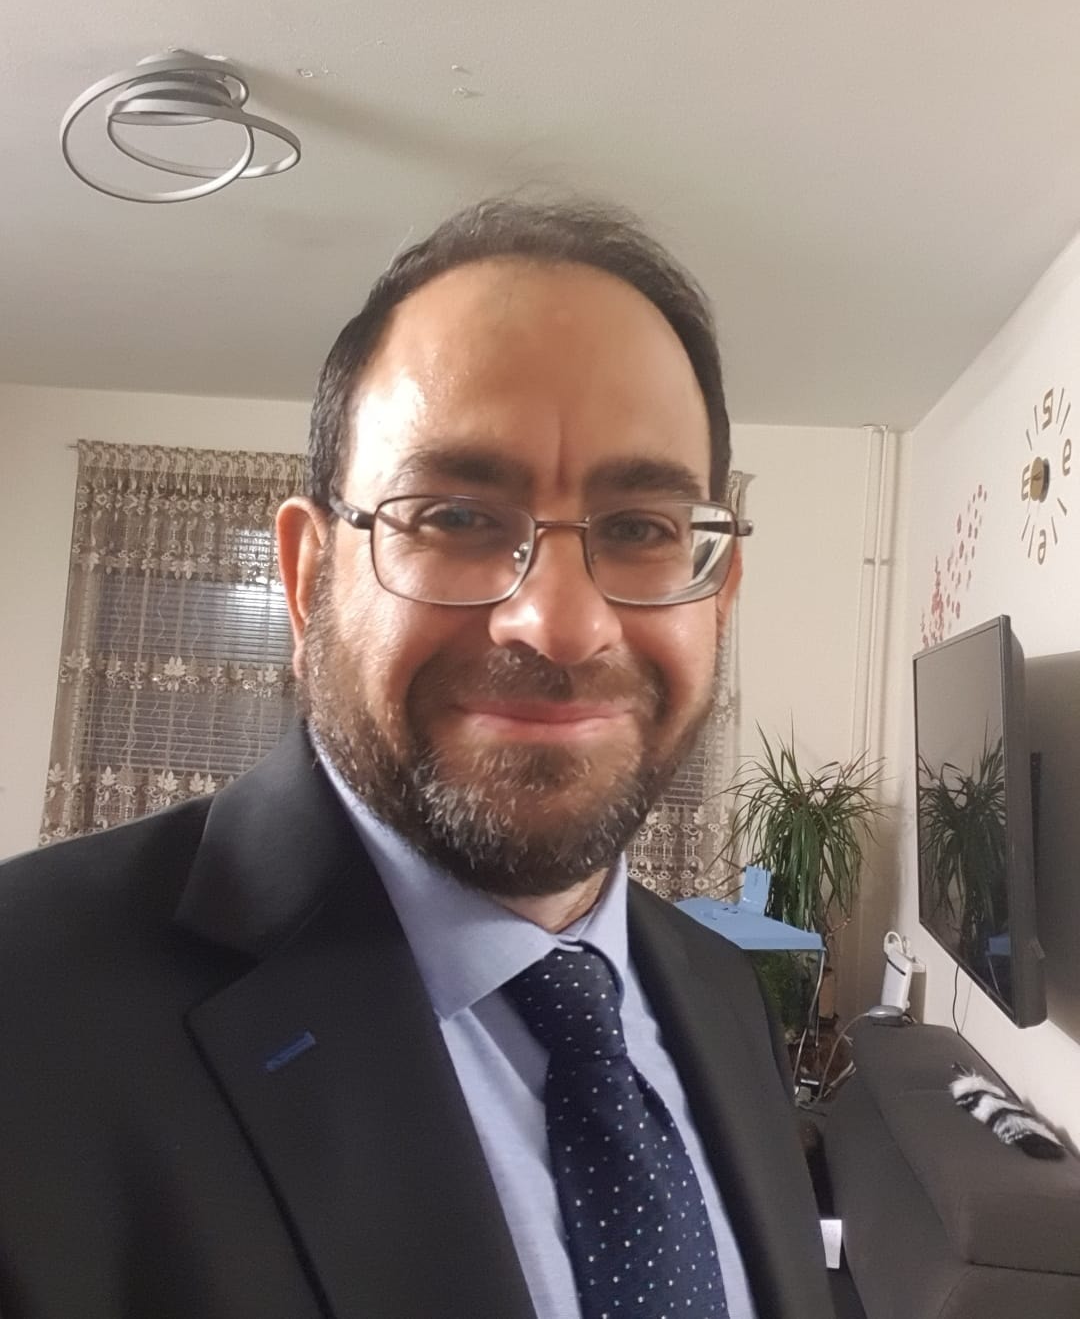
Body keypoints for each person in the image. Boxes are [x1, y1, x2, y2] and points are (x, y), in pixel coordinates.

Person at [0, 200, 835, 1319]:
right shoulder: (27, 1012)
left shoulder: (722, 993)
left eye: (641, 528)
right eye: (455, 515)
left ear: (716, 593)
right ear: (308, 579)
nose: (561, 625)